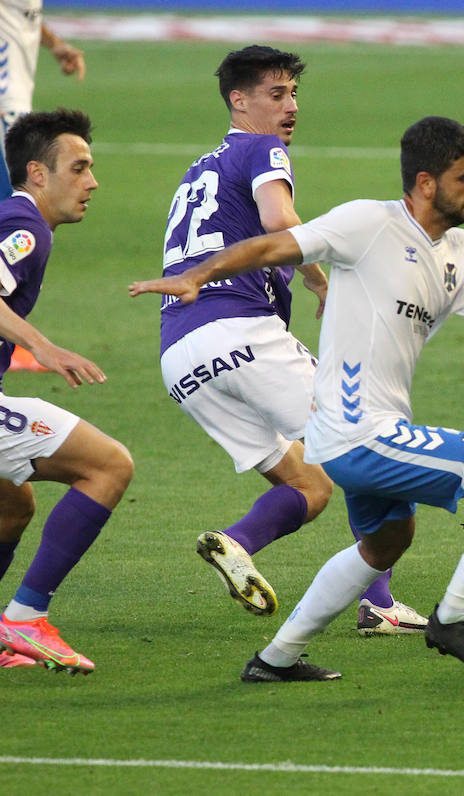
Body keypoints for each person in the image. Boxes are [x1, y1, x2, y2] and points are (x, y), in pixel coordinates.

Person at [130, 115, 464, 682]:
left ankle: (274, 660)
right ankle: (456, 618)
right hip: (357, 433)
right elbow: (274, 244)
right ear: (427, 182)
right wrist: (199, 275)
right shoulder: (368, 223)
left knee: (387, 541)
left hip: (375, 430)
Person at [157, 45, 425, 635]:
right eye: (276, 94)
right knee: (360, 440)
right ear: (239, 100)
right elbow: (279, 222)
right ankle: (378, 603)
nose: (291, 106)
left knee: (312, 481)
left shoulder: (198, 168)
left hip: (181, 357)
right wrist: (326, 276)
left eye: (294, 93)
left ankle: (236, 541)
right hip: (241, 331)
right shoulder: (262, 148)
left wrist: (309, 285)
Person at [0, 109, 133, 674]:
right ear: (37, 172)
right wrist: (44, 349)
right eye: (78, 168)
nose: (92, 181)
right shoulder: (23, 229)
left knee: (12, 504)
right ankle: (24, 618)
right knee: (108, 466)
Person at [0, 2, 86, 195]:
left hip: (17, 107)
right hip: (5, 108)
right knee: (14, 204)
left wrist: (55, 44)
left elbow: (21, 17)